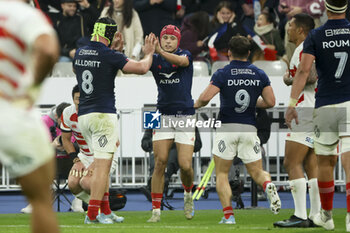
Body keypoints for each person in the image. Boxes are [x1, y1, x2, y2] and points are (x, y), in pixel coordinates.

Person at [73, 17, 156, 224]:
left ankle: (106, 210)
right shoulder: (107, 54)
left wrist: (115, 52)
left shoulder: (81, 52)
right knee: (102, 169)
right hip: (103, 116)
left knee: (103, 164)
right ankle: (93, 214)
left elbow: (98, 69)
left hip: (84, 116)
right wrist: (149, 53)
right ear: (109, 35)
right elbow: (142, 68)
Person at [194, 35, 281, 224]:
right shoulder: (259, 73)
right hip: (250, 127)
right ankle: (267, 185)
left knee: (222, 173)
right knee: (257, 172)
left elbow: (205, 98)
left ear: (228, 53)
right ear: (249, 53)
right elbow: (270, 102)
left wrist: (194, 105)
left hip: (227, 127)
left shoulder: (222, 73)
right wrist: (252, 103)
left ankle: (229, 216)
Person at [285, 0, 350, 231]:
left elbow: (305, 72)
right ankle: (342, 216)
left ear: (325, 6)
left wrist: (292, 102)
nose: (288, 28)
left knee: (319, 160)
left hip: (322, 105)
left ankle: (321, 215)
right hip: (347, 100)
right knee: (343, 158)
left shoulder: (316, 36)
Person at [0, 0, 60, 233]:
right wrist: (32, 85)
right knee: (41, 200)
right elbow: (47, 49)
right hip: (11, 114)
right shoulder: (24, 15)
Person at [273, 13, 320, 228]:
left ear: (300, 29)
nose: (287, 29)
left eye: (290, 25)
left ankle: (300, 215)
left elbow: (311, 75)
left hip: (304, 109)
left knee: (291, 162)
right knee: (312, 164)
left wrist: (290, 78)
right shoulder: (309, 47)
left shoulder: (305, 48)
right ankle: (317, 215)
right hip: (317, 108)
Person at [146, 24, 196, 223]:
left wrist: (158, 51)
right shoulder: (155, 58)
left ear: (178, 41)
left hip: (185, 115)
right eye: (164, 38)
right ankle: (156, 211)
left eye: (172, 38)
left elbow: (182, 62)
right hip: (162, 114)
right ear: (160, 39)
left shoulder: (186, 55)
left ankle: (187, 194)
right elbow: (139, 68)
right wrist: (141, 54)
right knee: (160, 162)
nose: (168, 41)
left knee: (185, 165)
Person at [60, 85, 122, 218]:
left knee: (86, 182)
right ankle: (103, 208)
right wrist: (76, 160)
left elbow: (114, 142)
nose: (79, 102)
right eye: (77, 99)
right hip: (84, 155)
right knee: (73, 183)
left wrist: (96, 163)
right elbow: (65, 139)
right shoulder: (67, 113)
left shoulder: (99, 113)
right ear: (73, 99)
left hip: (105, 155)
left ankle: (100, 208)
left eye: (82, 99)